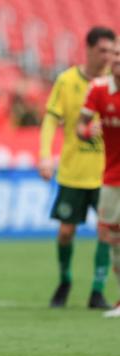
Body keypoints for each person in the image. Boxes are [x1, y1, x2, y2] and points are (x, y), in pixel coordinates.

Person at [38, 26, 116, 309]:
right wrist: (45, 155)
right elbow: (50, 119)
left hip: (106, 174)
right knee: (66, 233)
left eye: (112, 51)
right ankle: (65, 280)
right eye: (103, 50)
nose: (108, 56)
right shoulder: (67, 80)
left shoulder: (113, 83)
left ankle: (97, 290)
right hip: (72, 172)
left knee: (107, 233)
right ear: (89, 49)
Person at [77, 38, 120, 317]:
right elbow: (81, 123)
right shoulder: (99, 89)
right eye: (115, 53)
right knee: (110, 235)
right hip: (112, 176)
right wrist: (85, 132)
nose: (116, 58)